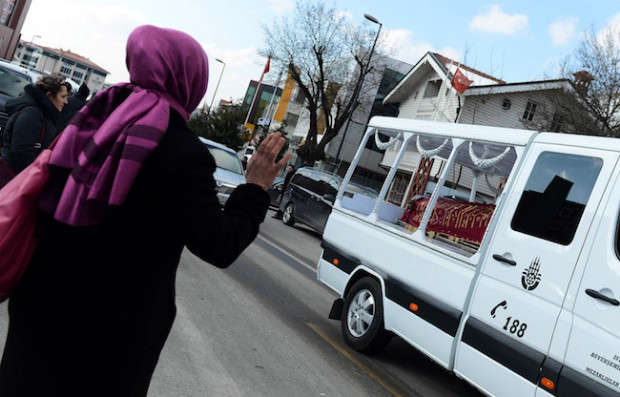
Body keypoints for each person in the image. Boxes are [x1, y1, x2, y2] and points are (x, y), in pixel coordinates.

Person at [0, 25, 289, 396]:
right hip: (109, 340)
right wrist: (255, 187)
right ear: (191, 82)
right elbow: (219, 244)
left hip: (40, 312)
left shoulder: (94, 118)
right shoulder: (183, 153)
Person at [0, 74, 70, 173]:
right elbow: (21, 153)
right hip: (14, 178)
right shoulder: (33, 114)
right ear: (49, 95)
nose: (66, 101)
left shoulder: (43, 113)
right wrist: (40, 171)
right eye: (63, 96)